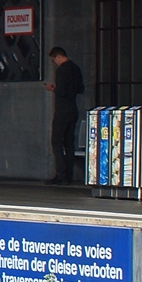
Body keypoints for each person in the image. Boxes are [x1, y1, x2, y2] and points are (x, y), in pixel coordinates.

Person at [44, 47, 85, 185]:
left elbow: (61, 91)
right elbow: (80, 88)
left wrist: (52, 88)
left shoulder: (61, 70)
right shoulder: (76, 68)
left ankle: (61, 174)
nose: (54, 62)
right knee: (69, 142)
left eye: (54, 59)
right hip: (73, 109)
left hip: (62, 110)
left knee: (56, 141)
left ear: (58, 57)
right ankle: (69, 174)